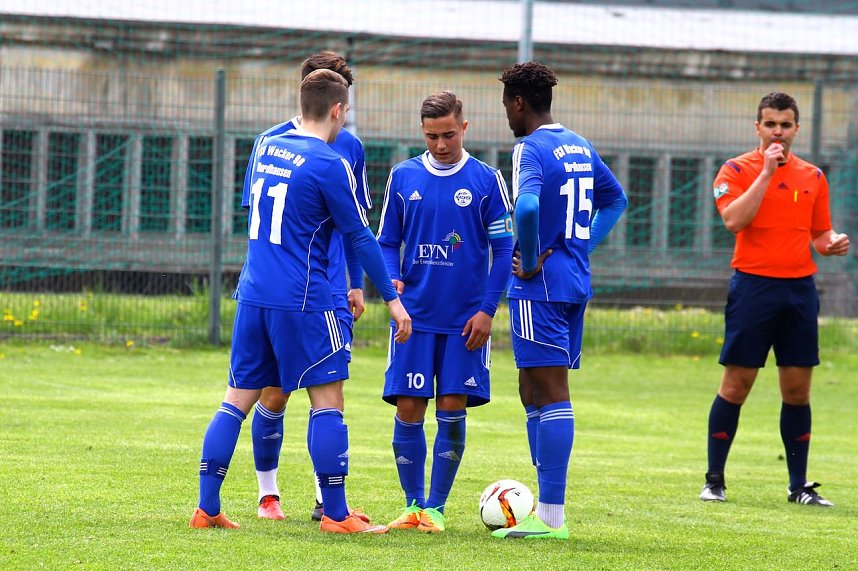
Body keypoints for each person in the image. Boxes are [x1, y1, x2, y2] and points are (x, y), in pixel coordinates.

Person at [189, 68, 412, 534]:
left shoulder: (267, 146)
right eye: (345, 111)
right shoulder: (329, 161)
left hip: (253, 295)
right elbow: (360, 236)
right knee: (327, 400)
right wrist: (392, 299)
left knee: (235, 401)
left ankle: (207, 507)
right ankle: (334, 513)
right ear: (337, 110)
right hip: (306, 300)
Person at [493, 62, 627, 540]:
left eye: (506, 104)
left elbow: (526, 207)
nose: (506, 114)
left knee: (549, 392)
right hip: (572, 281)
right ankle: (541, 506)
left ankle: (551, 517)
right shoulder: (578, 144)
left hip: (541, 286)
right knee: (532, 387)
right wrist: (580, 243)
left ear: (519, 103)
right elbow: (616, 200)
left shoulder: (528, 147)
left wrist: (529, 260)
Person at [240, 52, 374, 523]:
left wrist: (355, 284)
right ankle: (268, 493)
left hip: (329, 288)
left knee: (328, 391)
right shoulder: (270, 140)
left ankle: (326, 501)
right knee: (274, 394)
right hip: (287, 291)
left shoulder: (350, 148)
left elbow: (354, 227)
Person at [700, 92, 850, 507]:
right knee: (736, 385)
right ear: (758, 128)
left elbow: (819, 233)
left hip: (799, 290)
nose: (778, 132)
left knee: (798, 390)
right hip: (753, 287)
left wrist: (830, 243)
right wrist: (766, 173)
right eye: (770, 124)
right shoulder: (736, 170)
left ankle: (798, 486)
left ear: (796, 129)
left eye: (785, 125)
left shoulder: (814, 176)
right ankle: (714, 480)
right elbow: (733, 220)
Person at [376, 91, 514, 533]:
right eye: (432, 136)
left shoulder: (487, 180)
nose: (440, 144)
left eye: (449, 135)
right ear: (423, 131)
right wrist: (392, 280)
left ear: (465, 128)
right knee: (410, 406)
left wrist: (488, 310)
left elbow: (505, 247)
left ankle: (435, 508)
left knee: (453, 405)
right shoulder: (402, 177)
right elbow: (386, 242)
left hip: (464, 322)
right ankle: (413, 506)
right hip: (412, 319)